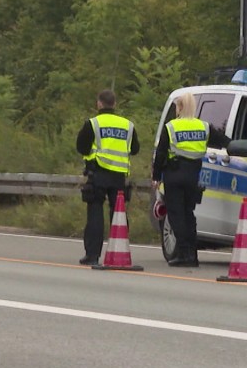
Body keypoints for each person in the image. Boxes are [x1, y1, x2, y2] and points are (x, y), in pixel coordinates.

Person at [151, 92, 229, 267]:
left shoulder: (171, 127)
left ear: (179, 107)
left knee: (176, 215)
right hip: (193, 176)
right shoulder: (204, 127)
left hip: (174, 175)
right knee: (188, 214)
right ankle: (192, 255)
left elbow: (161, 153)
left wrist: (156, 176)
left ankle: (184, 253)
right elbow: (224, 141)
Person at [76, 89, 140, 265]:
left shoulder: (93, 124)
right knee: (118, 215)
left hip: (98, 174)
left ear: (99, 103)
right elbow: (135, 149)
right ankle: (119, 250)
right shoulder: (128, 125)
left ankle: (92, 255)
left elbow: (81, 147)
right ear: (115, 104)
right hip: (119, 176)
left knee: (95, 213)